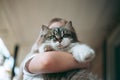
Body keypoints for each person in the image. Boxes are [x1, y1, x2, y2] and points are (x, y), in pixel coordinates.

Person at [23, 18, 90, 79]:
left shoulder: (77, 48)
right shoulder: (32, 57)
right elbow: (46, 61)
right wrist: (82, 62)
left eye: (62, 30)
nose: (58, 35)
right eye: (52, 30)